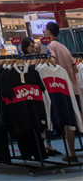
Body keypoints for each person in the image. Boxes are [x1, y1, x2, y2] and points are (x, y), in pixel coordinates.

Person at [45, 21, 79, 163]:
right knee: (74, 120)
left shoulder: (51, 46)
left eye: (45, 30)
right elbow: (75, 69)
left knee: (67, 121)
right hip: (74, 88)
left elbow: (53, 61)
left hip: (62, 88)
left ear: (48, 32)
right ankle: (72, 152)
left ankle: (71, 153)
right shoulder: (65, 48)